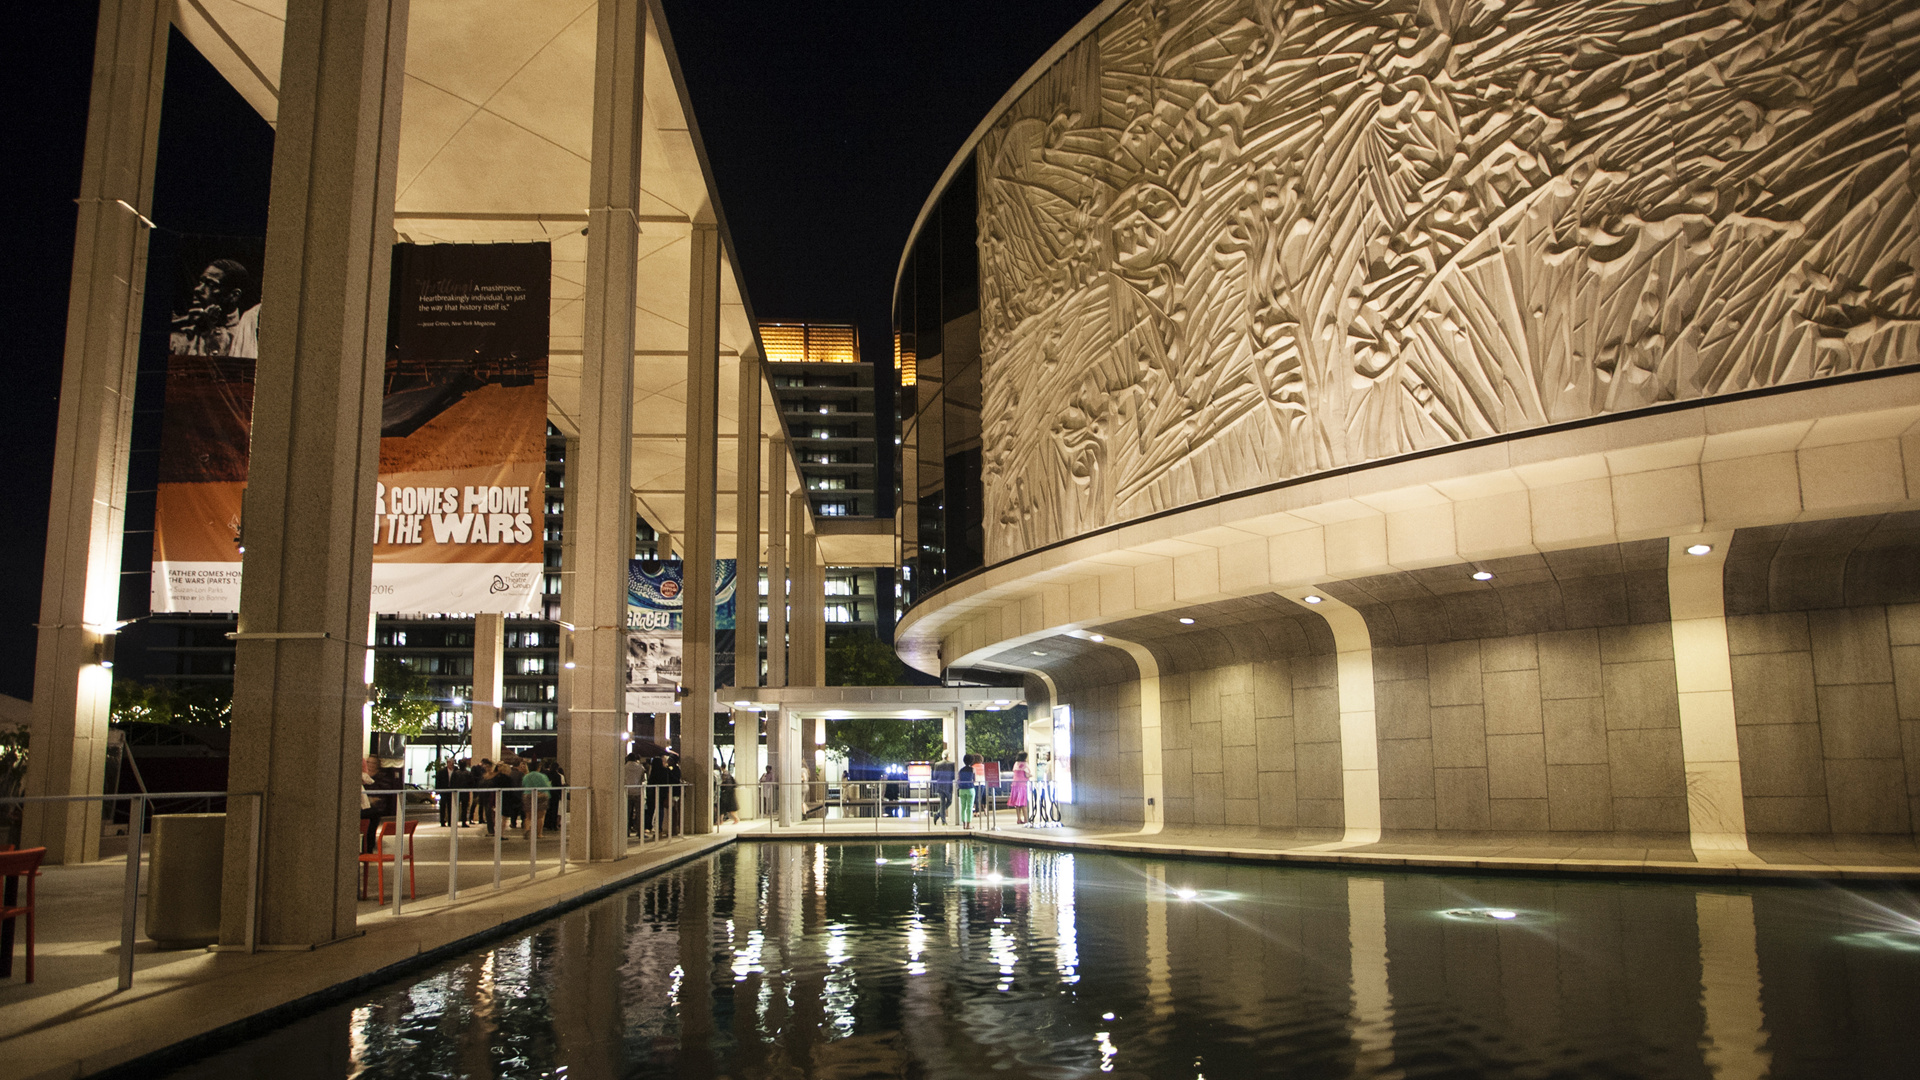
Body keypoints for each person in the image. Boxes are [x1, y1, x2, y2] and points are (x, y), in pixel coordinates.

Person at [170, 259, 261, 358]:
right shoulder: (179, 337)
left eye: (211, 285)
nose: (197, 289)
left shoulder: (248, 336)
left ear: (234, 295)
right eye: (201, 282)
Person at [521, 758, 553, 840]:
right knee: (540, 816)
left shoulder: (526, 776)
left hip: (528, 795)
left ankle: (527, 828)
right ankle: (539, 834)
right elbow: (547, 786)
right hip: (541, 795)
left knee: (528, 816)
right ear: (538, 768)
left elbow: (523, 785)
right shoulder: (543, 776)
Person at [624, 751, 648, 836]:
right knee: (639, 814)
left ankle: (626, 831)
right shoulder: (640, 767)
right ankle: (640, 832)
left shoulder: (624, 767)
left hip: (627, 792)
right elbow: (643, 779)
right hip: (638, 792)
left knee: (626, 814)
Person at [1009, 752, 1031, 825]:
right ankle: (1026, 819)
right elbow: (1028, 774)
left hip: (1015, 784)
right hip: (1023, 784)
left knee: (1017, 804)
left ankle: (1019, 819)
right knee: (1024, 803)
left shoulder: (1016, 764)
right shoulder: (1025, 764)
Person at [932, 758, 955, 824]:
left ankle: (938, 815)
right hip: (948, 786)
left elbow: (935, 776)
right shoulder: (952, 764)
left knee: (942, 803)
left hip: (940, 785)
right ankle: (943, 820)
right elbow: (953, 776)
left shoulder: (937, 764)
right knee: (949, 802)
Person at [957, 755, 977, 827]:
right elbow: (974, 780)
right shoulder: (972, 769)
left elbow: (959, 779)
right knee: (969, 807)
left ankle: (963, 824)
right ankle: (968, 825)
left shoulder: (961, 770)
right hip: (970, 789)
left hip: (962, 790)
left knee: (963, 807)